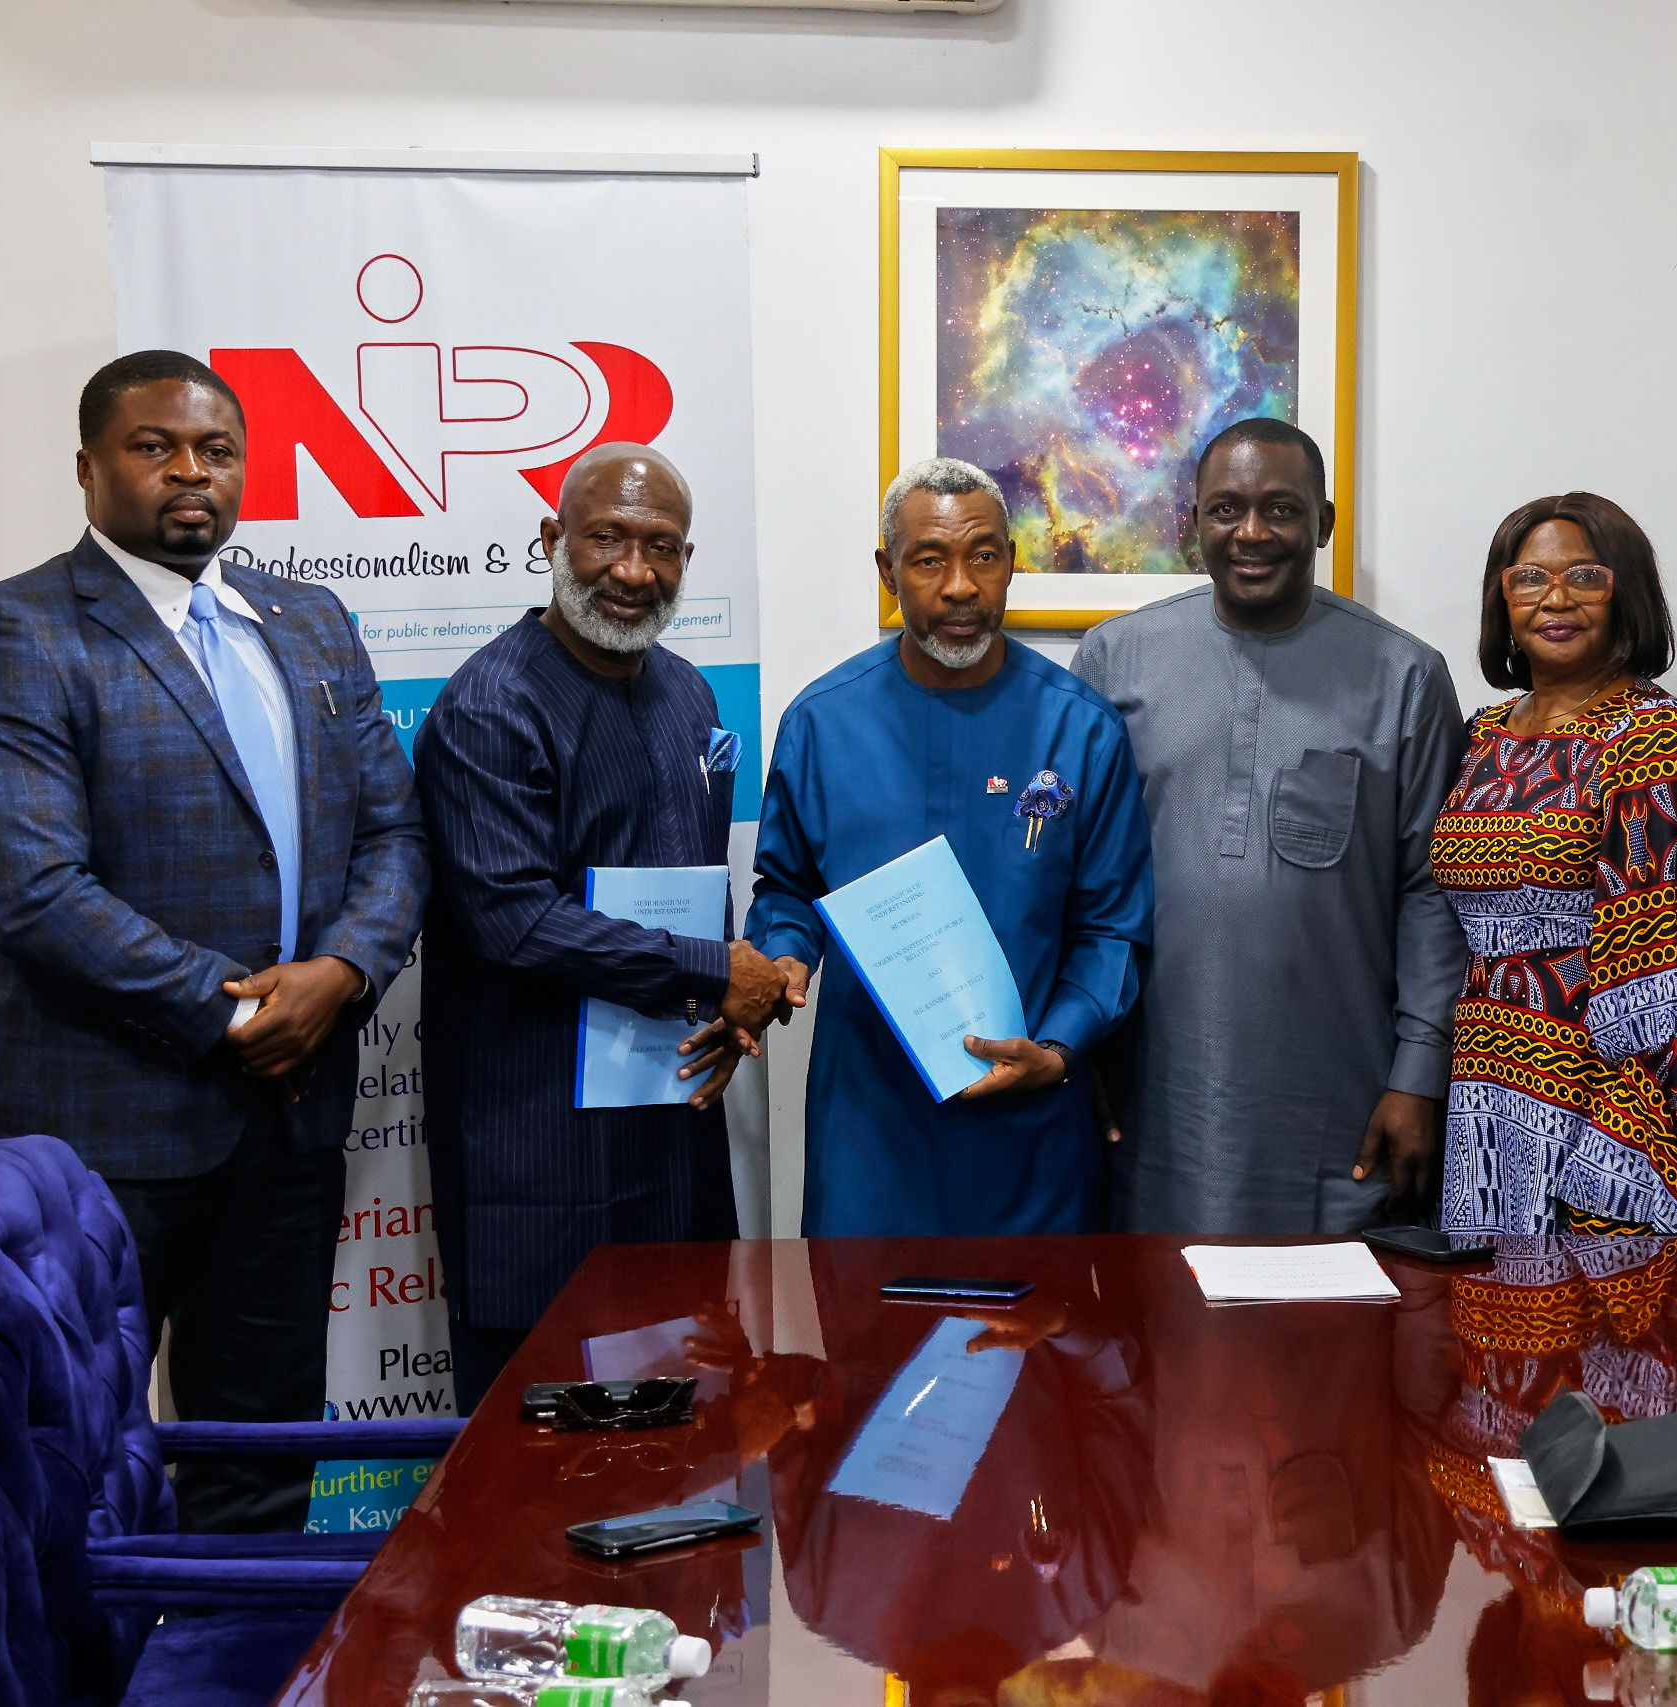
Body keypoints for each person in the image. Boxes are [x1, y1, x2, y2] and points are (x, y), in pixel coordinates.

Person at [0, 350, 427, 1530]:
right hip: (100, 1116)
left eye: (216, 451)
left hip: (289, 1115)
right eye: (155, 448)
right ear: (92, 466)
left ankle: (237, 1668)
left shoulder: (307, 621)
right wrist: (244, 1009)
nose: (190, 474)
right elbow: (37, 892)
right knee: (64, 1462)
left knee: (261, 1455)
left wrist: (342, 973)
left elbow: (396, 833)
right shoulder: (12, 628)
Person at [416, 443, 787, 1407]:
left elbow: (699, 887)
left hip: (673, 1140)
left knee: (684, 1446)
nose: (633, 572)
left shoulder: (689, 693)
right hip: (538, 1154)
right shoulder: (489, 706)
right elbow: (514, 922)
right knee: (538, 1463)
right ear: (552, 540)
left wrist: (734, 1000)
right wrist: (718, 969)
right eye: (607, 540)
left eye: (660, 547)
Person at [1073, 417, 1466, 1232]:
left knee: (1332, 1347)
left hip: (1341, 1092)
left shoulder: (1406, 676)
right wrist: (1076, 1046)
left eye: (1281, 509)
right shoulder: (1116, 660)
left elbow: (1433, 893)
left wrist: (1420, 1074)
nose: (1252, 533)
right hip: (1156, 1087)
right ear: (1192, 525)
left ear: (1322, 521)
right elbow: (1077, 879)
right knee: (1166, 1333)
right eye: (1227, 509)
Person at [750, 458, 1154, 1236]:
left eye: (984, 555)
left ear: (1012, 562)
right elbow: (786, 889)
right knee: (868, 1351)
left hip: (1031, 1131)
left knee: (1039, 1355)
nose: (961, 586)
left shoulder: (1081, 728)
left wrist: (1062, 1047)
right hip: (870, 1130)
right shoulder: (822, 723)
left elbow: (1112, 929)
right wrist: (786, 957)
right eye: (929, 559)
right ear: (888, 571)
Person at [1432, 493, 1677, 1237]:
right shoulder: (1483, 735)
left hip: (1605, 1101)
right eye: (1529, 578)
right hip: (1487, 1085)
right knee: (1497, 1337)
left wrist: (1611, 1148)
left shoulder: (1657, 733)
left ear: (1626, 591)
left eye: (1585, 577)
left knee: (1603, 1336)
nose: (1555, 598)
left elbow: (1668, 979)